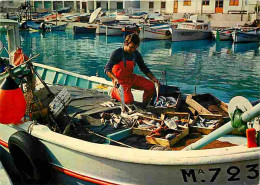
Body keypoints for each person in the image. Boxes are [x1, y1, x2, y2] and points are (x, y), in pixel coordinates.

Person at [104, 33, 159, 106]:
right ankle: (114, 92)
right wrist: (115, 79)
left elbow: (143, 68)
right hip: (120, 82)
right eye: (131, 47)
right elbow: (107, 69)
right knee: (128, 101)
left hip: (130, 78)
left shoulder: (136, 54)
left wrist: (153, 78)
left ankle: (145, 105)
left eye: (135, 48)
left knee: (150, 86)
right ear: (126, 43)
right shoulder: (117, 53)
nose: (133, 50)